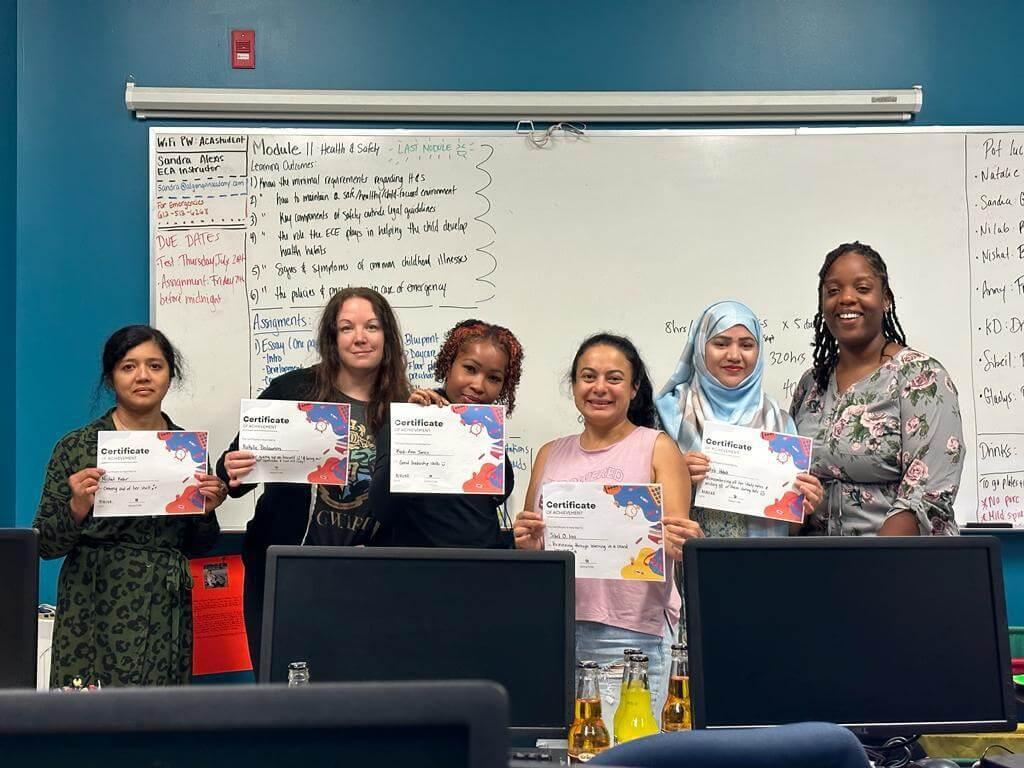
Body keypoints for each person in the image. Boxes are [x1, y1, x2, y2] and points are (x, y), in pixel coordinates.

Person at [216, 287, 409, 672]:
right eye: (347, 327)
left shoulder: (405, 406)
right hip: (288, 570)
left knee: (358, 691)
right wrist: (231, 469)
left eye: (371, 326)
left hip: (368, 578)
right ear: (331, 338)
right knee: (282, 690)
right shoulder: (291, 391)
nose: (360, 337)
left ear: (386, 337)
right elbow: (236, 471)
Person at [512, 333, 703, 717]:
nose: (599, 388)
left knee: (628, 753)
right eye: (588, 376)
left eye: (614, 378)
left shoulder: (658, 447)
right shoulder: (549, 453)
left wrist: (681, 543)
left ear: (634, 389)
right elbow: (536, 546)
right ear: (574, 385)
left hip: (632, 634)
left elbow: (676, 545)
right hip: (557, 630)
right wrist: (527, 545)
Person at [33, 325, 227, 687]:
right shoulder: (77, 447)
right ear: (110, 377)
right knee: (87, 717)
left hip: (164, 602)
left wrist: (207, 510)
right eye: (128, 366)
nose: (142, 376)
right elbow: (45, 544)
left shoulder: (186, 451)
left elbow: (200, 545)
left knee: (157, 720)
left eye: (155, 366)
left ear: (171, 375)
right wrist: (77, 506)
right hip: (93, 600)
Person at [790, 241, 964, 536]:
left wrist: (872, 567)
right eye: (833, 291)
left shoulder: (921, 376)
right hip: (816, 565)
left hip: (897, 566)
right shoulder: (811, 384)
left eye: (862, 288)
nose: (846, 299)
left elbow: (927, 495)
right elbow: (789, 481)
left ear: (885, 299)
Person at [656, 300, 823, 538]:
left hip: (760, 567)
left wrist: (805, 504)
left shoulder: (780, 424)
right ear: (701, 348)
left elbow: (791, 529)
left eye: (746, 345)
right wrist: (675, 474)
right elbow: (643, 512)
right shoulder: (666, 414)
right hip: (689, 566)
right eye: (721, 343)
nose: (734, 355)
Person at [371, 319, 525, 548]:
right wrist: (411, 430)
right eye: (470, 369)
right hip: (415, 571)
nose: (478, 385)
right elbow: (380, 509)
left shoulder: (488, 432)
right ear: (448, 365)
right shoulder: (410, 418)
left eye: (494, 378)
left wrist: (513, 541)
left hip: (482, 571)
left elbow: (475, 524)